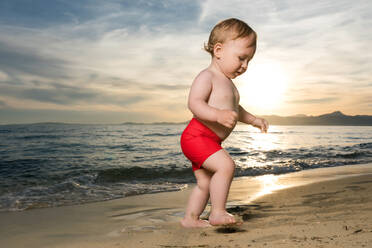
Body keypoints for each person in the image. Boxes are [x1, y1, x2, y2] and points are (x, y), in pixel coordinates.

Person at [180, 18, 269, 228]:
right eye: (241, 58)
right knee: (226, 166)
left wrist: (254, 120)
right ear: (218, 50)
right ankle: (217, 213)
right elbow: (194, 103)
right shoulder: (207, 76)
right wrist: (217, 114)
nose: (245, 66)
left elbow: (237, 111)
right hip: (197, 136)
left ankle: (190, 219)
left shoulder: (229, 85)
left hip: (209, 140)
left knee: (205, 183)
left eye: (249, 61)